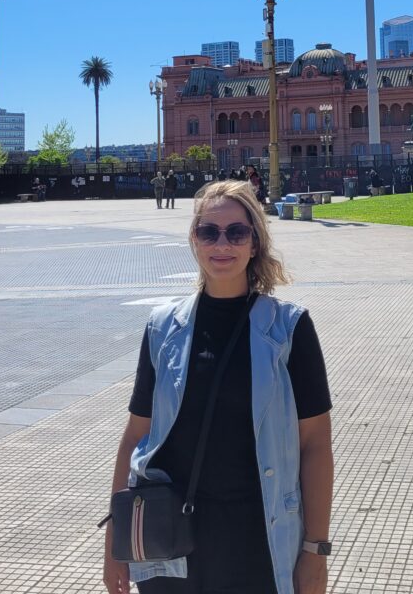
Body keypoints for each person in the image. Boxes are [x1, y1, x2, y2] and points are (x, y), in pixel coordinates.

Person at [103, 180, 333, 594]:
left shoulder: (288, 329)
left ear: (255, 242)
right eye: (209, 232)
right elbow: (136, 435)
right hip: (168, 538)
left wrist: (315, 550)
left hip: (258, 538)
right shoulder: (163, 328)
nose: (221, 244)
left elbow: (315, 443)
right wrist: (115, 541)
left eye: (236, 232)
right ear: (194, 239)